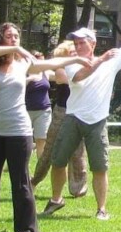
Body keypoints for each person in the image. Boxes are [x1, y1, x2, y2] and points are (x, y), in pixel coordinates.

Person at [44, 9, 121, 220]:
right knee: (58, 161)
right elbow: (80, 76)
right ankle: (56, 199)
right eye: (76, 43)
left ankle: (101, 209)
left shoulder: (110, 61)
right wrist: (100, 60)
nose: (78, 46)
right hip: (73, 118)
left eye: (82, 43)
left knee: (99, 167)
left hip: (97, 121)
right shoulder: (72, 64)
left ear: (93, 44)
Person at [0, 23, 80, 232]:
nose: (14, 39)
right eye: (9, 36)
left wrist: (75, 59)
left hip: (19, 131)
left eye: (16, 36)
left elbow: (51, 63)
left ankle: (27, 228)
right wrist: (14, 49)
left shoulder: (23, 64)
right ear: (1, 39)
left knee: (21, 181)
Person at [30, 40, 88, 196]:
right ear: (64, 55)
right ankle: (34, 180)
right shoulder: (61, 69)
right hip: (62, 112)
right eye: (71, 52)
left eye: (76, 51)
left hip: (79, 112)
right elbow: (66, 80)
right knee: (50, 151)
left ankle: (78, 188)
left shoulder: (84, 69)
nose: (75, 54)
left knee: (78, 152)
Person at [24, 66, 52, 167]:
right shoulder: (24, 72)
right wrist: (29, 79)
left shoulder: (46, 72)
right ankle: (18, 164)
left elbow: (59, 75)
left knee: (41, 139)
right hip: (25, 110)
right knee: (23, 138)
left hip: (43, 110)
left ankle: (41, 166)